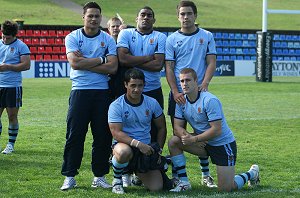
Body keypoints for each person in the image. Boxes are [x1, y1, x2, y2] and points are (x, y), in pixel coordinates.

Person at [168, 68, 260, 192]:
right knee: (174, 141)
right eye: (182, 81)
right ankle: (184, 182)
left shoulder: (209, 100)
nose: (184, 84)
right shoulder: (181, 102)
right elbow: (177, 127)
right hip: (203, 142)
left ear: (196, 81)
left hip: (222, 144)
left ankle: (252, 173)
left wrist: (195, 138)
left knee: (226, 188)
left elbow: (217, 130)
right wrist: (187, 137)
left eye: (188, 80)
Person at [60, 2, 118, 191]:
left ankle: (99, 176)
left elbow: (113, 67)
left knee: (102, 136)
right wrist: (101, 59)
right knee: (75, 135)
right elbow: (75, 63)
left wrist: (87, 61)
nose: (93, 19)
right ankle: (70, 176)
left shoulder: (108, 40)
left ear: (101, 17)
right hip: (79, 91)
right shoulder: (73, 37)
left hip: (102, 92)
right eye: (90, 15)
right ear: (83, 17)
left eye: (96, 16)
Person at [165, 0, 217, 187]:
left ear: (195, 15)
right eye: (182, 14)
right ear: (178, 16)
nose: (185, 17)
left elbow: (211, 62)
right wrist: (174, 91)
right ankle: (179, 176)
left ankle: (205, 175)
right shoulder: (171, 39)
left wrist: (205, 83)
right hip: (178, 94)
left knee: (201, 134)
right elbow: (169, 67)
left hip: (199, 92)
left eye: (189, 13)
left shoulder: (207, 36)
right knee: (177, 134)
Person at [108, 68, 167, 194]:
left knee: (156, 187)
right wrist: (138, 145)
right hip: (125, 146)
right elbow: (116, 133)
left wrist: (159, 150)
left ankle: (137, 175)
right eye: (133, 85)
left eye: (140, 85)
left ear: (144, 85)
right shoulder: (116, 105)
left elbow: (162, 127)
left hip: (145, 150)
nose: (136, 89)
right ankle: (117, 179)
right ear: (125, 85)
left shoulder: (152, 103)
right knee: (123, 152)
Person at [117, 6, 167, 143]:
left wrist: (131, 59)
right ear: (136, 18)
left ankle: (154, 157)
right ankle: (121, 156)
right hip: (130, 89)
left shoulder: (160, 37)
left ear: (154, 20)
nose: (145, 17)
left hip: (153, 89)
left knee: (155, 127)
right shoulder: (126, 34)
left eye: (149, 15)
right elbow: (122, 59)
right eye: (143, 15)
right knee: (125, 124)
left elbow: (157, 65)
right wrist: (147, 57)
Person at [0, 20, 30, 154]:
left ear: (14, 35)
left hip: (13, 86)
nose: (5, 39)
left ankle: (10, 144)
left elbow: (26, 65)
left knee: (12, 116)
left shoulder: (21, 46)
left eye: (8, 37)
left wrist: (7, 67)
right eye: (3, 36)